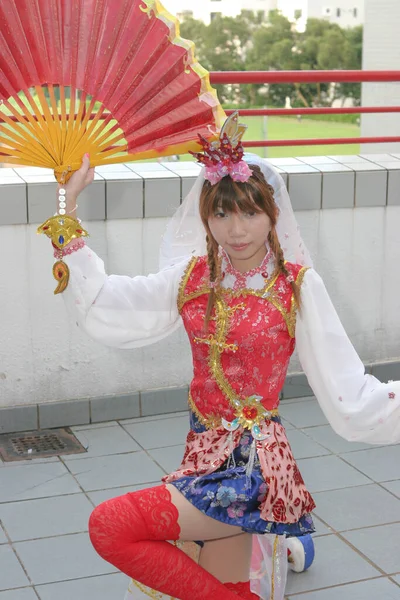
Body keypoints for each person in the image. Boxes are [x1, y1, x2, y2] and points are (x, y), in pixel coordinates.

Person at [39, 113, 400, 600]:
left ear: (274, 215)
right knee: (222, 586)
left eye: (251, 212)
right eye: (222, 214)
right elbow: (107, 306)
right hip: (200, 453)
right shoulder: (190, 277)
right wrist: (68, 199)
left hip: (252, 468)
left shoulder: (296, 286)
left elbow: (349, 390)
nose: (236, 230)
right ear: (204, 216)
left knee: (111, 526)